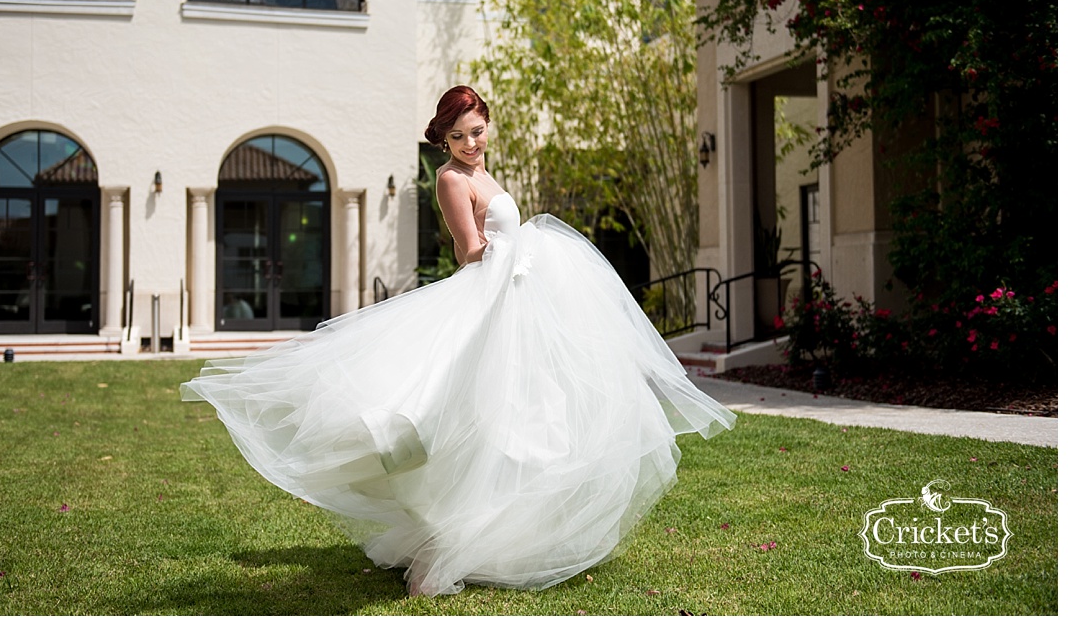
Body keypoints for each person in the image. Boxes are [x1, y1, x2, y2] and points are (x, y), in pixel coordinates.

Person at [181, 86, 735, 597]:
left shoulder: (488, 175)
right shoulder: (451, 179)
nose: (471, 143)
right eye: (459, 136)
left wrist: (529, 251)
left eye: (477, 131)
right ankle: (445, 547)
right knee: (472, 414)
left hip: (516, 299)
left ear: (487, 126)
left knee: (528, 414)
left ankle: (503, 535)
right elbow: (468, 250)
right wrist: (525, 249)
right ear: (443, 139)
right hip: (489, 294)